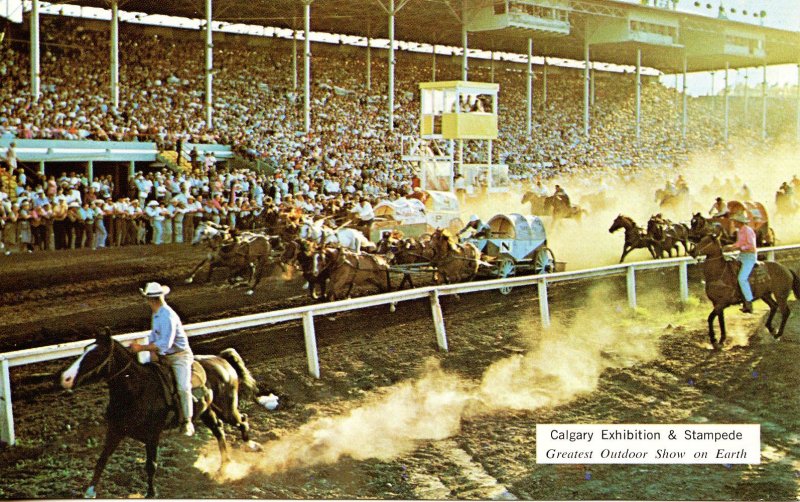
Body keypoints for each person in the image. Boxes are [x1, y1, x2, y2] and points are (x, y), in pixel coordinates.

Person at [130, 282, 195, 436]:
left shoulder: (167, 316)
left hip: (179, 357)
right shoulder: (157, 313)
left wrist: (142, 348)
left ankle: (187, 420)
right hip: (164, 355)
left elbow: (165, 343)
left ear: (152, 300)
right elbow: (154, 335)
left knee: (183, 388)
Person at [723, 213, 757, 314]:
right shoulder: (740, 231)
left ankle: (749, 302)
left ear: (739, 222)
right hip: (742, 256)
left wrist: (738, 248)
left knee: (742, 278)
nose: (733, 223)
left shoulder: (748, 230)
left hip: (749, 257)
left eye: (735, 221)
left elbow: (751, 246)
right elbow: (739, 243)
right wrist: (731, 246)